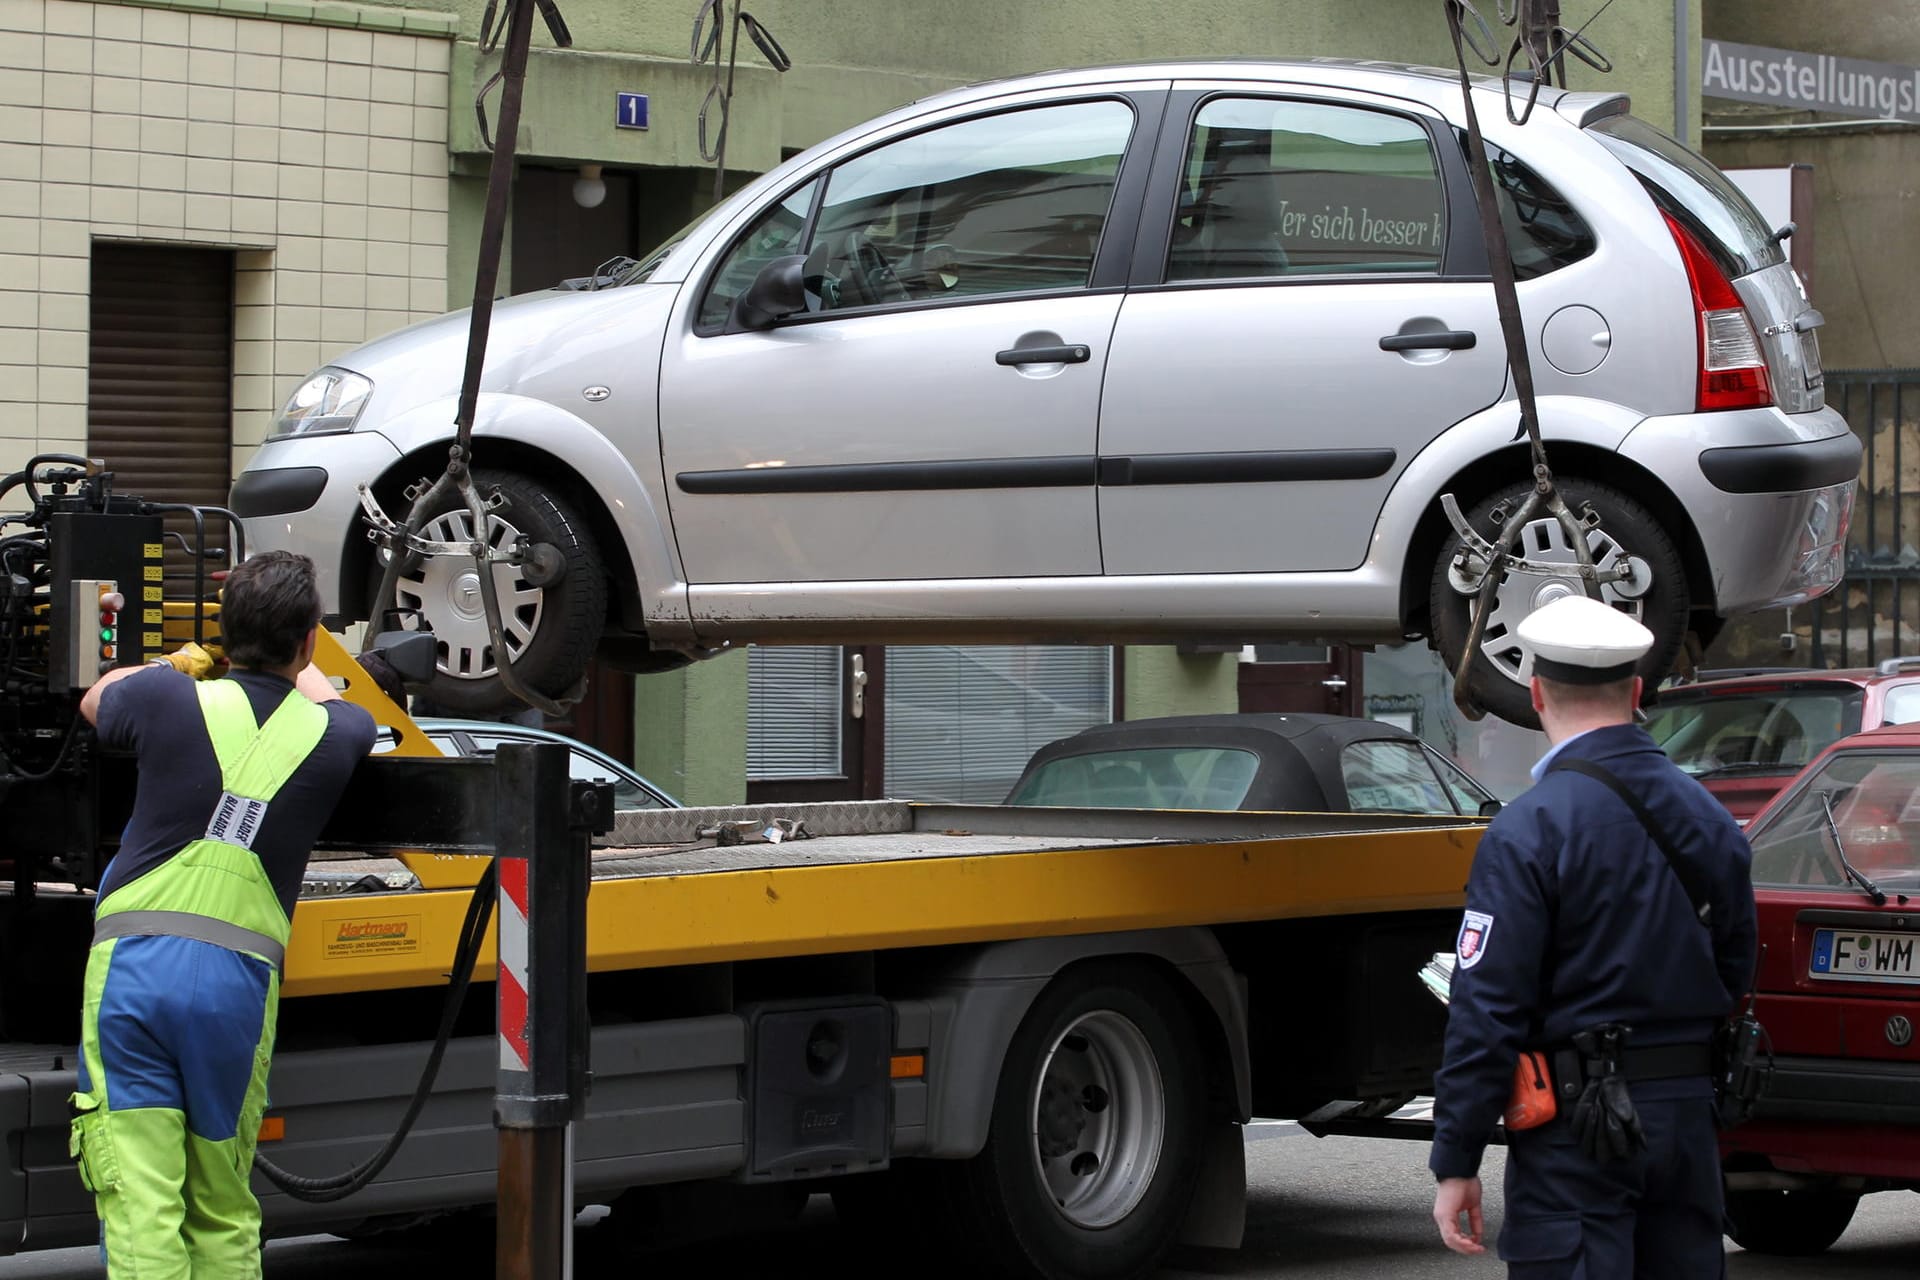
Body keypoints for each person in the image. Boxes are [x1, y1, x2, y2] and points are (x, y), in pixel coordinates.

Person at [1428, 595, 1756, 1277]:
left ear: (1537, 693)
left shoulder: (1530, 829)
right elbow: (1734, 969)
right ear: (1636, 692)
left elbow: (1488, 1009)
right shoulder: (1710, 816)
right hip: (1687, 1116)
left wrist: (1456, 1158)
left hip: (1577, 1130)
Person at [71, 551, 376, 1277]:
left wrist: (190, 658)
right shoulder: (339, 736)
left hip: (132, 976)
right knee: (222, 1202)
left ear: (221, 631)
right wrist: (290, 628)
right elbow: (320, 692)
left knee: (142, 1197)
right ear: (308, 640)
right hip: (234, 990)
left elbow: (97, 695)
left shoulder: (166, 701)